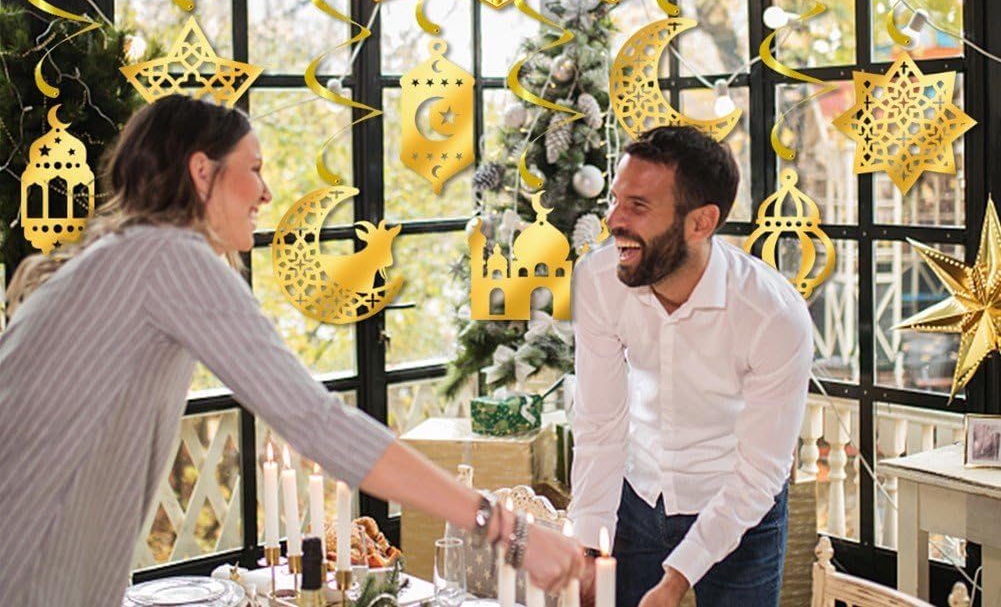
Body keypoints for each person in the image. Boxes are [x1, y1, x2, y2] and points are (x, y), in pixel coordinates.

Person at [0, 94, 582, 607]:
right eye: (253, 169)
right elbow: (317, 421)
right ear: (202, 172)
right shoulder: (168, 258)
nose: (267, 192)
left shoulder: (123, 258)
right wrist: (507, 530)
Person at [568, 126, 813, 607]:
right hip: (637, 499)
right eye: (615, 200)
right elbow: (599, 424)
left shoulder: (773, 316)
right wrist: (590, 545)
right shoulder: (597, 279)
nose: (613, 220)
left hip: (740, 511)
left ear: (701, 223)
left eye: (637, 206)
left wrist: (677, 580)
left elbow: (760, 471)